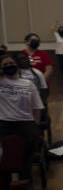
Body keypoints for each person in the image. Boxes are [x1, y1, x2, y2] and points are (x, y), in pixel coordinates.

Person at [0, 53, 44, 181]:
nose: (9, 66)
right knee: (6, 159)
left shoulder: (28, 84)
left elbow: (37, 107)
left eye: (11, 64)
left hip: (26, 124)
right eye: (5, 65)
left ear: (17, 66)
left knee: (25, 158)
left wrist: (35, 125)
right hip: (4, 124)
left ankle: (26, 185)